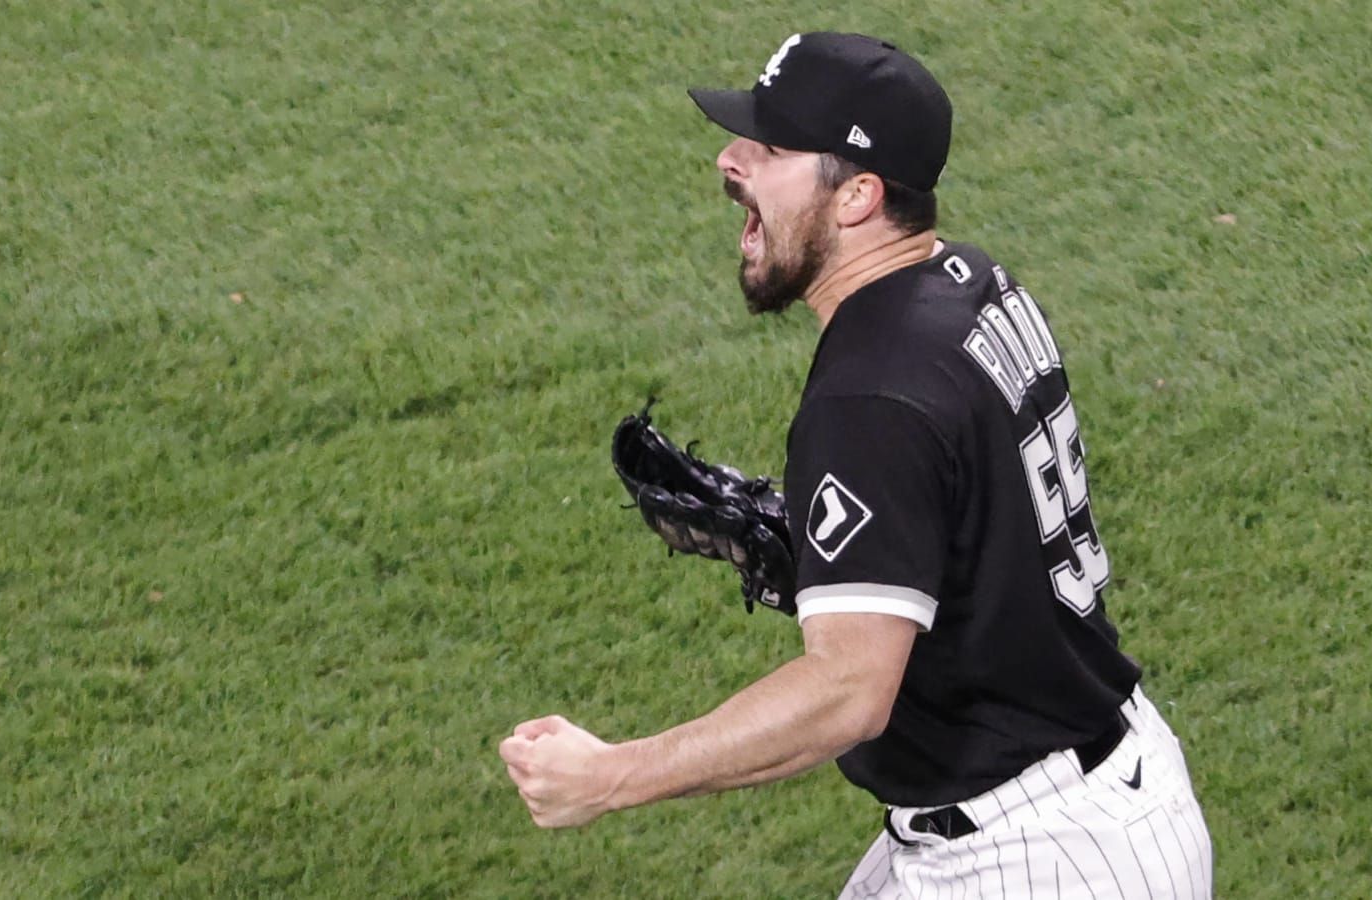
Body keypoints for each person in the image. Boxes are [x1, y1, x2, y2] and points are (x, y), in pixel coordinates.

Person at [500, 32, 1213, 898]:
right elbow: (978, 517)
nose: (730, 161)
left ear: (859, 197)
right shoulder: (972, 283)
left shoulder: (870, 398)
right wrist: (836, 556)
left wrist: (611, 775)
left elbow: (848, 693)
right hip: (1091, 790)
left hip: (1034, 855)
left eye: (767, 150)